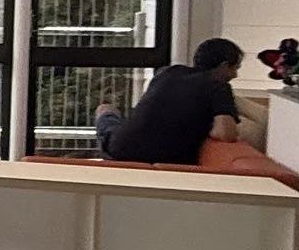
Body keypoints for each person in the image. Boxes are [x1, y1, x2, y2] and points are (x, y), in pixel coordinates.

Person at [94, 38, 245, 164]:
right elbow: (225, 133)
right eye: (235, 68)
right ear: (224, 65)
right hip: (168, 158)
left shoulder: (167, 72)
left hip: (120, 149)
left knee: (105, 109)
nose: (235, 75)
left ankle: (104, 154)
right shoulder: (219, 86)